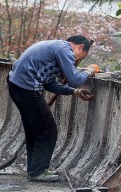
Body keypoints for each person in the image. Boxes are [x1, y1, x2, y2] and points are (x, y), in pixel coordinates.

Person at [7, 35, 99, 182]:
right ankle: (38, 171)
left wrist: (74, 92)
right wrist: (89, 70)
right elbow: (75, 80)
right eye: (81, 56)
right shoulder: (65, 50)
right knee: (48, 130)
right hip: (27, 88)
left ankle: (34, 168)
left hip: (17, 84)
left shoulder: (56, 47)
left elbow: (49, 83)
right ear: (80, 47)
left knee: (34, 130)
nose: (75, 61)